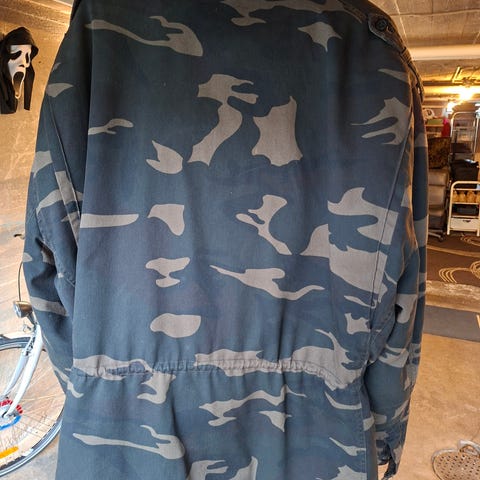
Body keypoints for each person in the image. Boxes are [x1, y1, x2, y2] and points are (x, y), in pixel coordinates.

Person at [23, 1, 428, 479]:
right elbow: (405, 278)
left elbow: (47, 250)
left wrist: (99, 386)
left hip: (126, 439)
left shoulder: (101, 23)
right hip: (319, 439)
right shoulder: (371, 44)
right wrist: (385, 426)